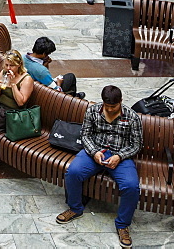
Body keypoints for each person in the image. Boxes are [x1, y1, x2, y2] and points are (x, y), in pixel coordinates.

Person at [57, 85, 141, 248]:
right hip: (95, 152)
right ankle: (75, 208)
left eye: (113, 107)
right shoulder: (93, 111)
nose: (109, 110)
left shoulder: (132, 117)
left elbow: (137, 144)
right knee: (73, 172)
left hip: (120, 156)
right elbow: (85, 134)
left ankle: (123, 225)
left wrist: (119, 156)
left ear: (121, 102)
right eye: (107, 106)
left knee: (131, 186)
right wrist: (94, 152)